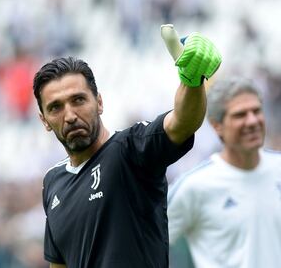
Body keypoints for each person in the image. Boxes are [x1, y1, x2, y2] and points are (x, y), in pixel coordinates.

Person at [32, 28, 221, 268]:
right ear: (44, 120)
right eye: (56, 107)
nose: (69, 115)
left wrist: (192, 81)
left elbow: (182, 123)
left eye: (78, 100)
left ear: (99, 102)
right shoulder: (52, 182)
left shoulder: (130, 149)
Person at [167, 77, 281, 268]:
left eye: (256, 111)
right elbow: (147, 239)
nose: (252, 121)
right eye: (240, 115)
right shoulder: (195, 185)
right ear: (216, 125)